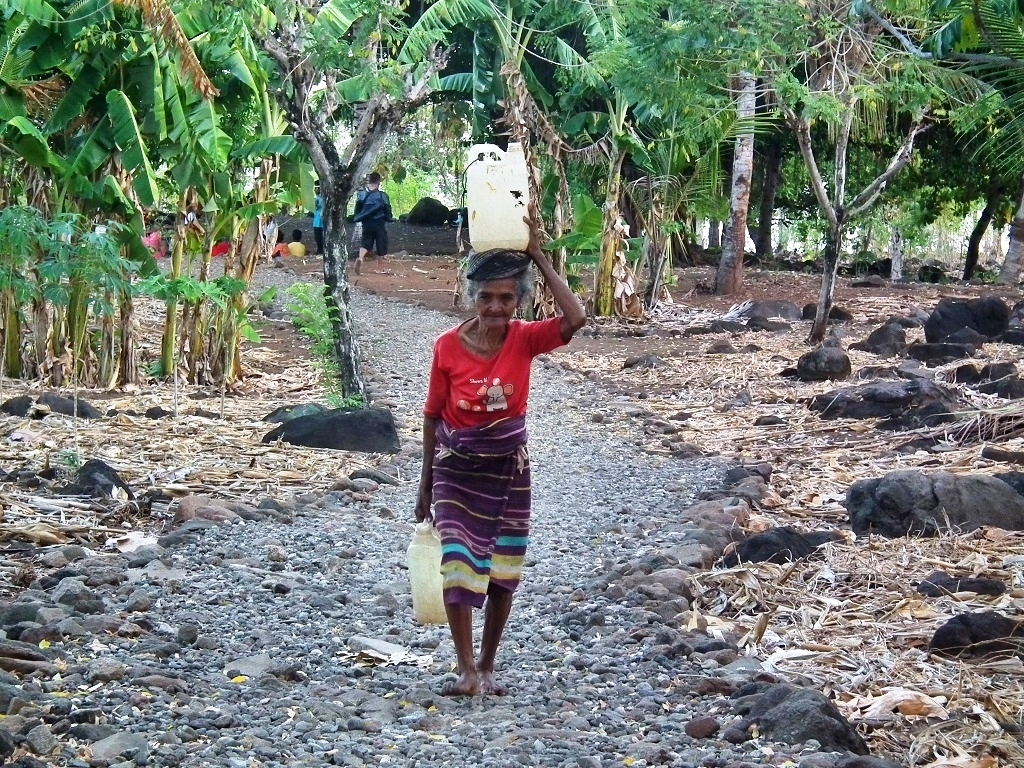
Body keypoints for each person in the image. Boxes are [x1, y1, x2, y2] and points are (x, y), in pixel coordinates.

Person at [415, 215, 587, 697]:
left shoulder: (526, 338)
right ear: (472, 297)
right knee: (457, 561)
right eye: (486, 297)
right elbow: (432, 416)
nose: (495, 306)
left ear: (519, 301)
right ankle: (465, 668)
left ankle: (489, 665)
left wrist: (537, 255)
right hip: (456, 467)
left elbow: (575, 319)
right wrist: (425, 485)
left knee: (503, 569)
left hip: (508, 468)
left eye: (506, 298)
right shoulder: (446, 346)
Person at [353, 172, 392, 274]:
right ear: (378, 183)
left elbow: (357, 210)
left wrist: (358, 218)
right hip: (379, 223)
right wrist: (389, 218)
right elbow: (387, 209)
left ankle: (360, 258)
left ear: (369, 182)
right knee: (381, 243)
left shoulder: (361, 195)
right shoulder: (382, 196)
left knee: (366, 242)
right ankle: (379, 268)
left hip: (366, 223)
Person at [313, 188, 324, 255]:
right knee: (317, 237)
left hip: (321, 220)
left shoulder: (323, 198)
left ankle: (321, 250)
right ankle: (319, 250)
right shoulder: (316, 198)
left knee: (321, 237)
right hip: (317, 220)